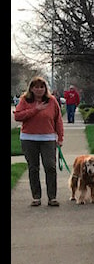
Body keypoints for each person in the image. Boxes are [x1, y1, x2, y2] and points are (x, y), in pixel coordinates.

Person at [14, 76, 64, 207]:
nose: (39, 89)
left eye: (41, 87)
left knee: (50, 166)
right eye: (36, 87)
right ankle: (36, 197)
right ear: (31, 88)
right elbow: (18, 116)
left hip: (48, 138)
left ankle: (52, 197)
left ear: (45, 88)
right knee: (33, 168)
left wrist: (60, 137)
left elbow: (58, 120)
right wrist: (35, 110)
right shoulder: (25, 100)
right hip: (29, 138)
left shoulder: (52, 101)